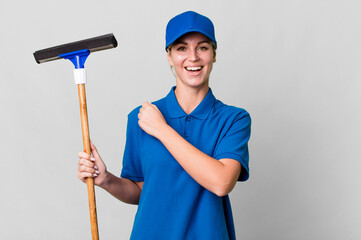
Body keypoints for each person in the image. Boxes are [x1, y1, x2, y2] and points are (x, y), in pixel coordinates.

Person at [78, 11, 251, 240]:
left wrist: (162, 129)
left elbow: (221, 182)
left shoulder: (233, 119)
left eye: (202, 47)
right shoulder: (140, 118)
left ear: (214, 54)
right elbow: (141, 190)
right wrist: (105, 179)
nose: (193, 57)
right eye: (181, 48)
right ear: (169, 56)